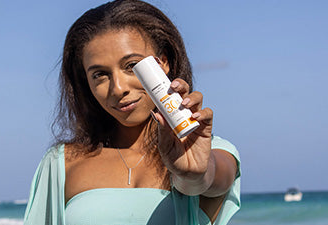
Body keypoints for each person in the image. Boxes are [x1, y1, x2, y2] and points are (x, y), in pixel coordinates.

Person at [24, 0, 241, 224]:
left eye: (131, 66)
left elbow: (208, 180)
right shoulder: (62, 163)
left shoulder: (212, 154)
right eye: (100, 74)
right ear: (85, 81)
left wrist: (194, 175)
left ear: (163, 62)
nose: (118, 88)